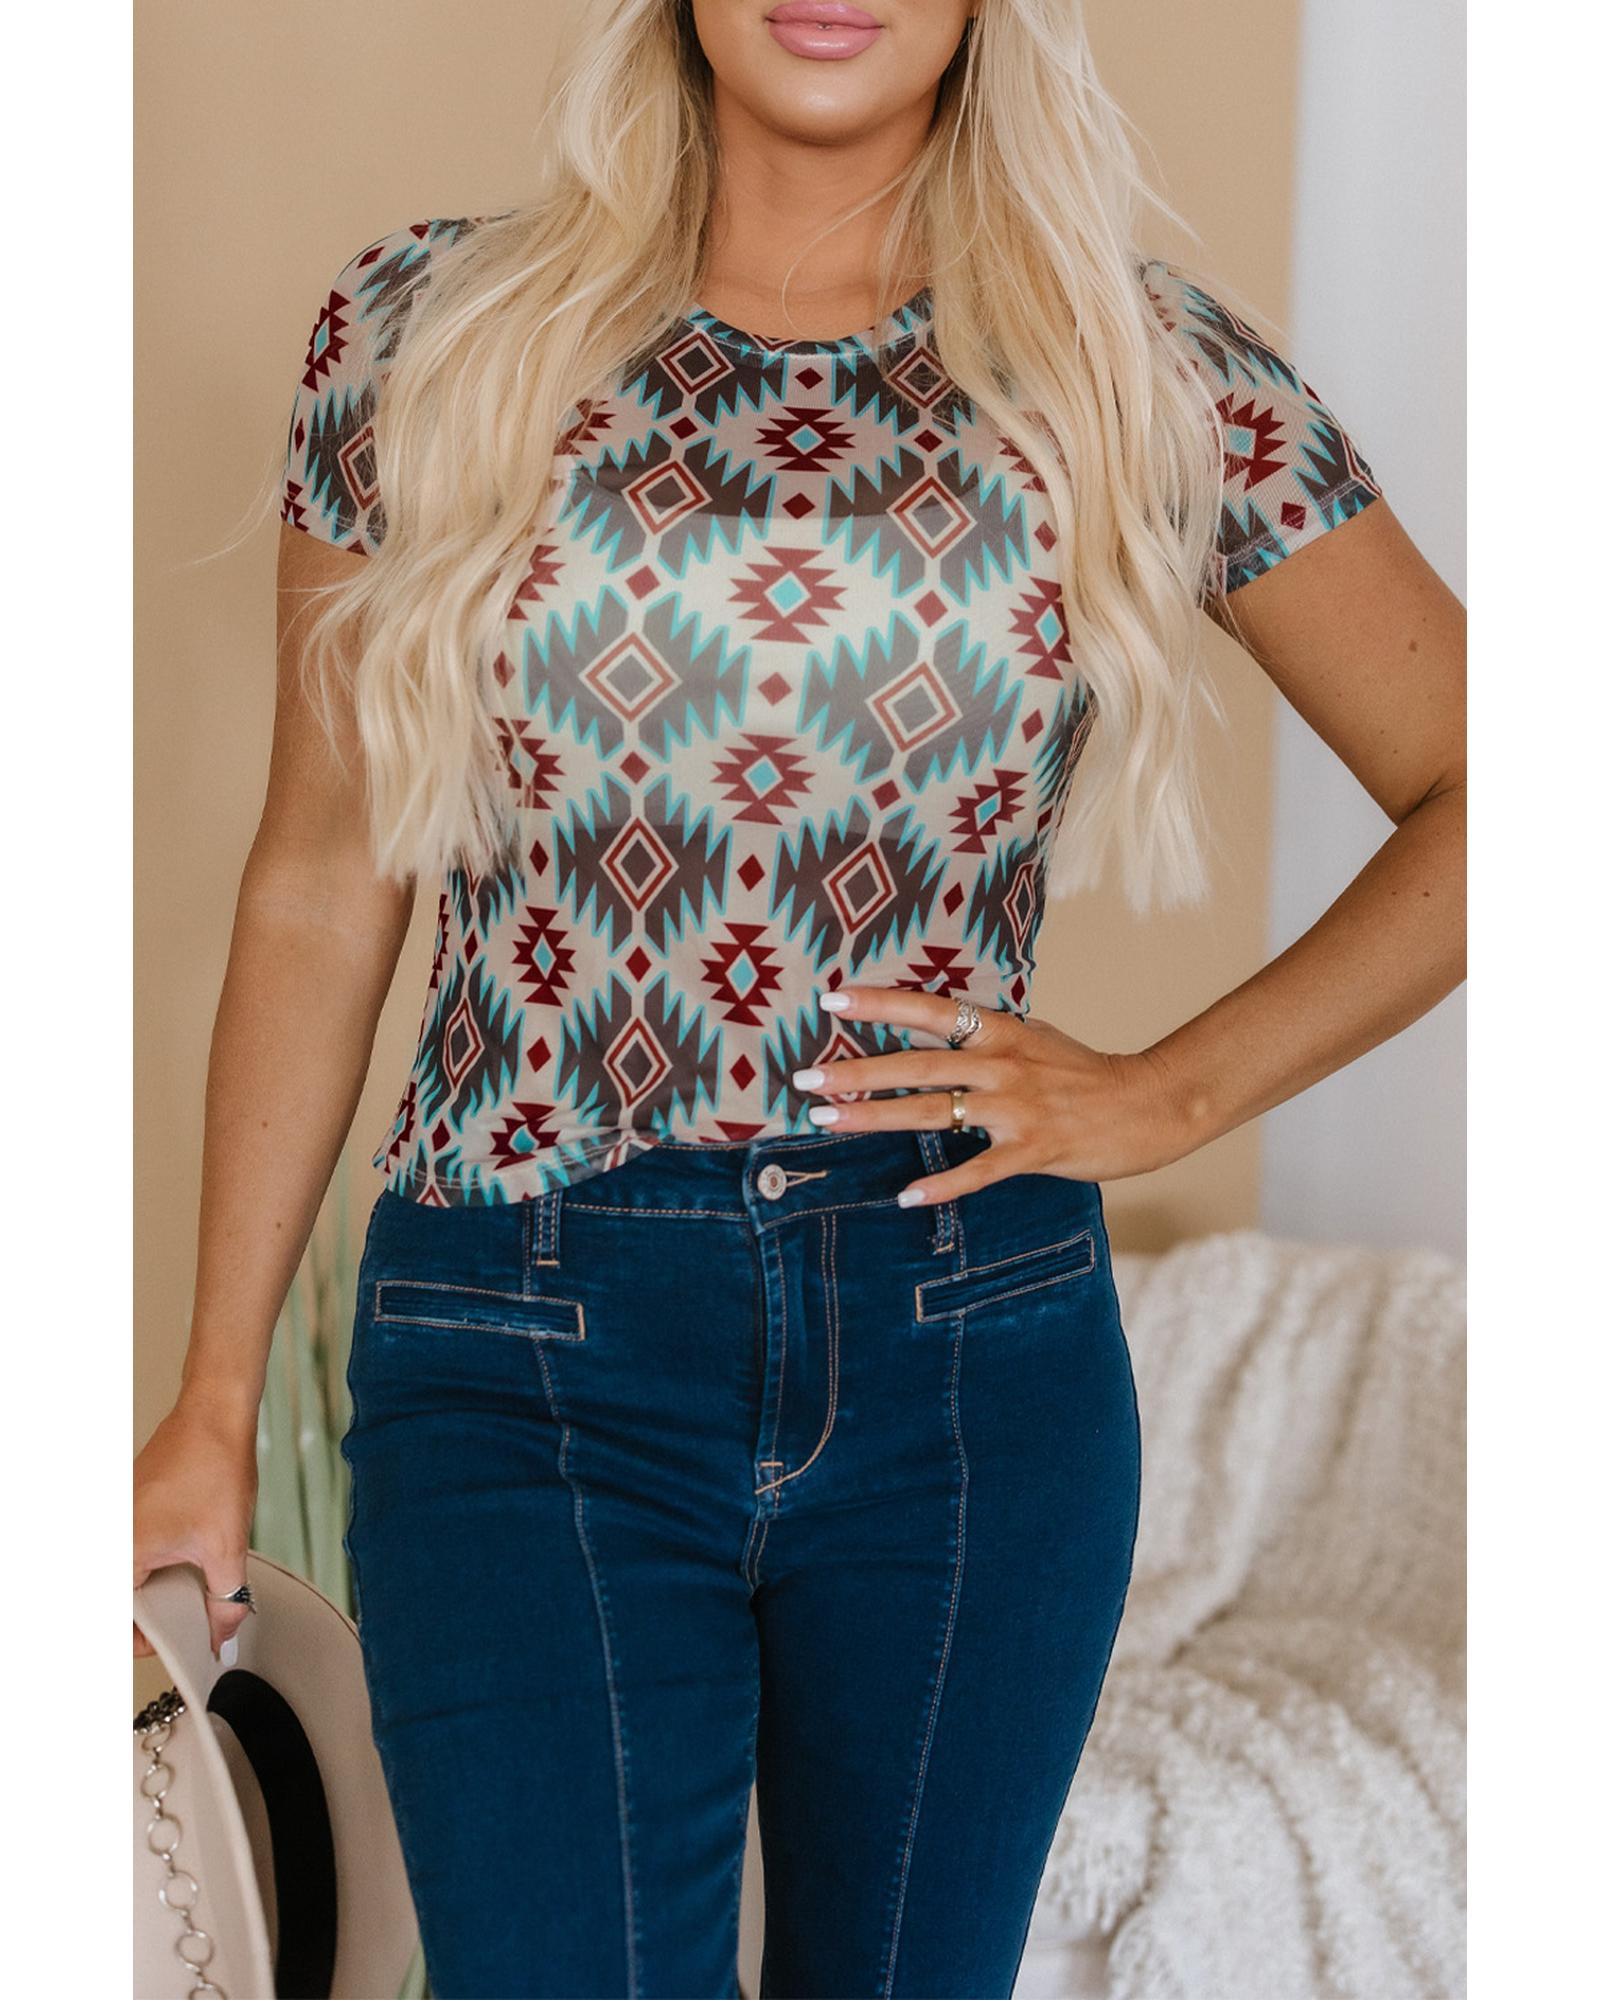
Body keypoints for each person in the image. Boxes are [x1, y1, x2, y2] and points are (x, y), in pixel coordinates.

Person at [133, 3, 1466, 1994]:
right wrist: (214, 1398)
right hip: (521, 1341)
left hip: (965, 1353)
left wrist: (1172, 1093)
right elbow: (324, 877)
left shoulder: (1137, 368)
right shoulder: (426, 332)